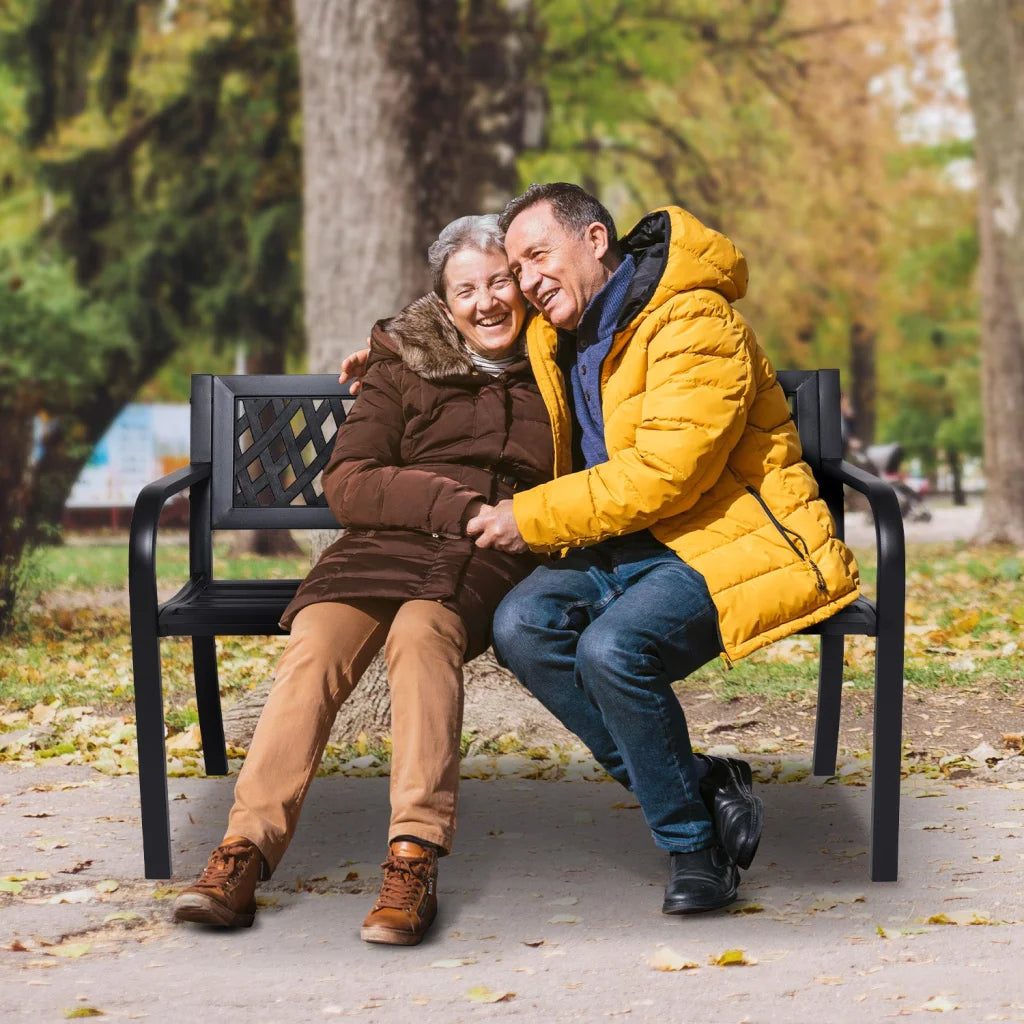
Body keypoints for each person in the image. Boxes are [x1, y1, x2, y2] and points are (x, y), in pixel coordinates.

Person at [461, 183, 861, 914]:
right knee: (521, 626)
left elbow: (665, 476)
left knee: (610, 652)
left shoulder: (695, 319)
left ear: (594, 241)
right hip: (623, 543)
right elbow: (462, 312)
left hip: (723, 540)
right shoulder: (558, 330)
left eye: (536, 256)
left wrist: (532, 516)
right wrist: (386, 347)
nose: (523, 282)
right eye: (516, 268)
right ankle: (704, 780)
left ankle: (692, 847)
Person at [172, 214, 554, 945]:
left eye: (499, 281)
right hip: (381, 543)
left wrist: (494, 516)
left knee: (422, 635)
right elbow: (348, 481)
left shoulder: (559, 368)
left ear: (522, 285)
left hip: (480, 552)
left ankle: (412, 858)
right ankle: (240, 856)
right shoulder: (403, 366)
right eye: (465, 289)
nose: (486, 302)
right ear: (444, 305)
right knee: (315, 644)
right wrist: (456, 500)